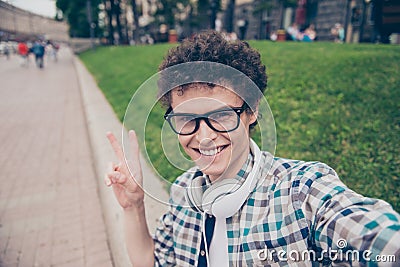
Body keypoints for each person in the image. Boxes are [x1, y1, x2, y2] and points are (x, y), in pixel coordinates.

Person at [105, 30, 400, 266]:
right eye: (186, 119)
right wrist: (133, 207)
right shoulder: (183, 192)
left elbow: (380, 240)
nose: (204, 136)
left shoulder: (302, 190)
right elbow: (152, 261)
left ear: (252, 110)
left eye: (220, 115)